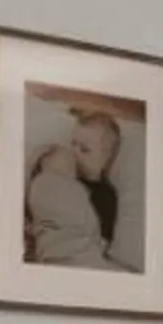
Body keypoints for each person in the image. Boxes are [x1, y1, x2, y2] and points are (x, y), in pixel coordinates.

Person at [23, 109, 129, 268]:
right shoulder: (59, 175)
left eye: (85, 150)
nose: (74, 152)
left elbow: (101, 240)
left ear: (106, 158)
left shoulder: (105, 194)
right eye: (73, 144)